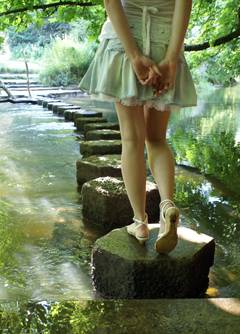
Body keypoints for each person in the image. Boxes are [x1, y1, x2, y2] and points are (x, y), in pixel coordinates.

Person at [80, 0, 197, 254]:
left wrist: (134, 56)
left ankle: (140, 223)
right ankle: (166, 206)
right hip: (165, 42)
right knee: (156, 138)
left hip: (125, 42)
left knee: (132, 140)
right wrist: (172, 60)